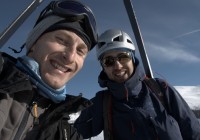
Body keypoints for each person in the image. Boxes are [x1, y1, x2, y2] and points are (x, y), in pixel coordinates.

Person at [74, 29, 200, 140]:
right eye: (109, 61)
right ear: (103, 67)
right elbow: (73, 133)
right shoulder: (102, 103)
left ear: (133, 59)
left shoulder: (160, 89)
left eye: (123, 57)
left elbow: (192, 131)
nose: (117, 65)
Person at [0, 0, 98, 140]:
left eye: (80, 51)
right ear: (34, 42)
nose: (70, 57)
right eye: (62, 40)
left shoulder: (64, 132)